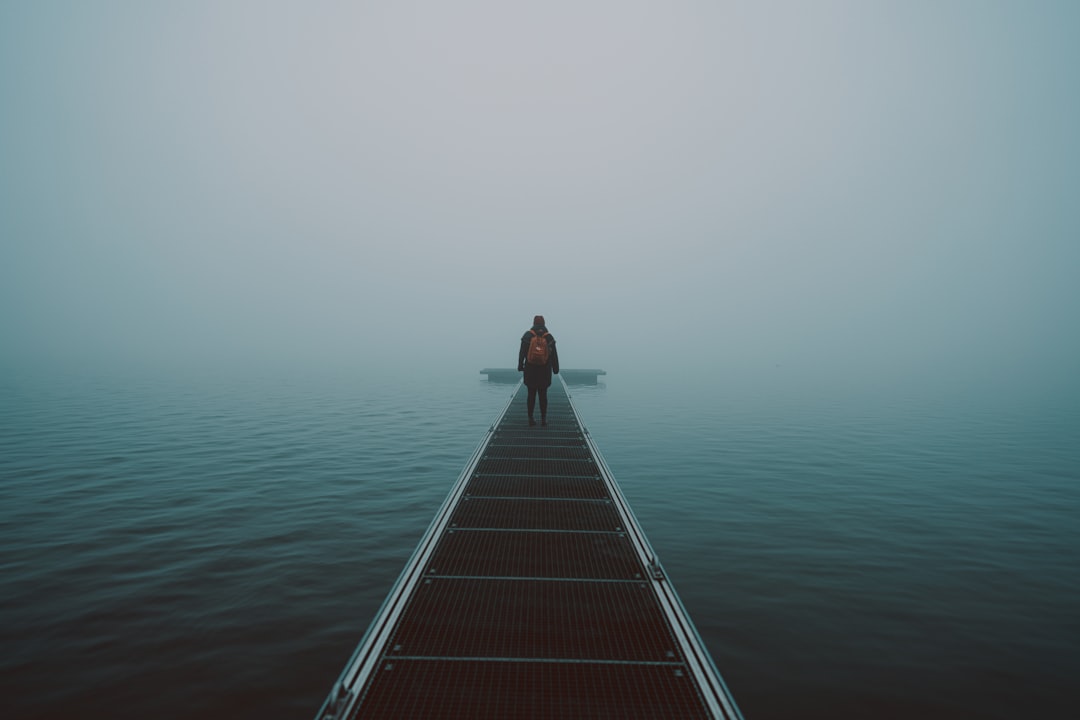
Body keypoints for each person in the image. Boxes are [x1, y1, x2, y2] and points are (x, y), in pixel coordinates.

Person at [518, 315, 560, 426]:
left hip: (530, 370)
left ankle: (530, 418)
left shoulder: (527, 336)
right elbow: (554, 354)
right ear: (544, 324)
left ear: (533, 323)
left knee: (531, 394)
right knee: (543, 395)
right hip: (544, 371)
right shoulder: (549, 337)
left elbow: (522, 352)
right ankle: (543, 419)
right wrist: (556, 368)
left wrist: (520, 365)